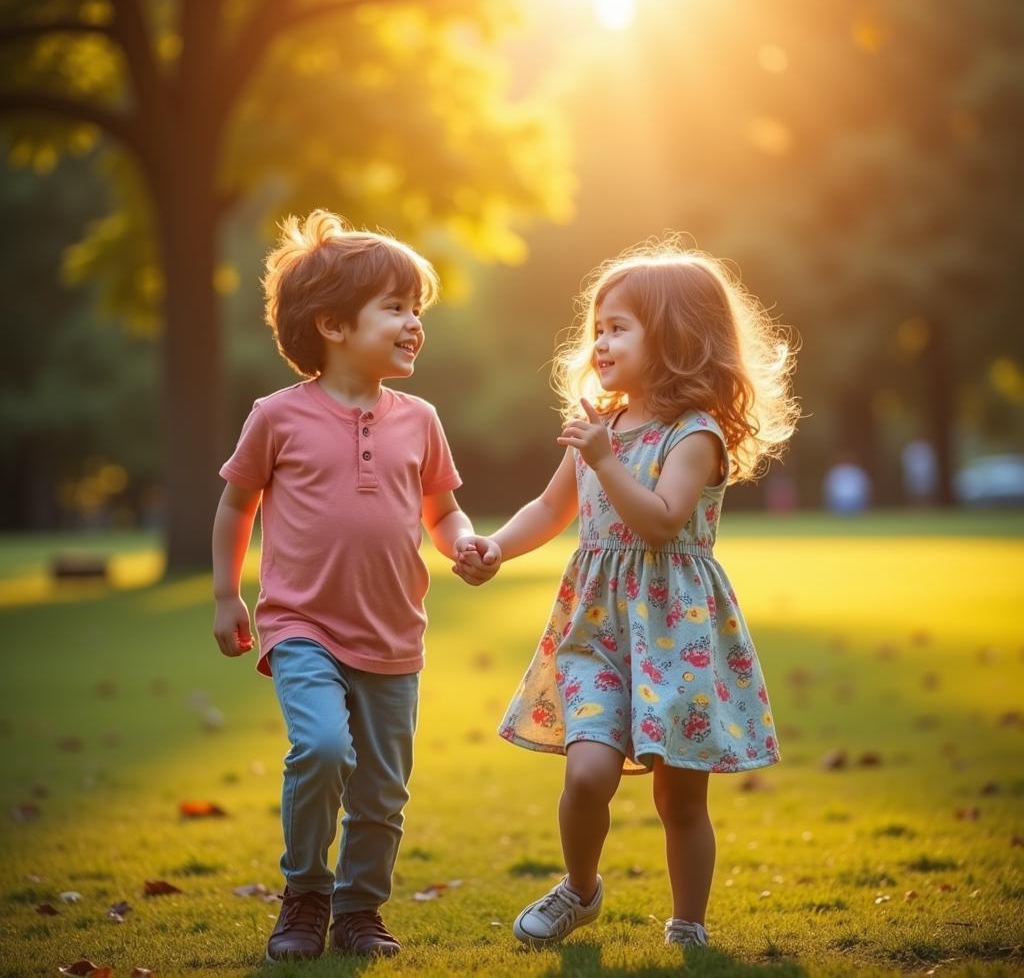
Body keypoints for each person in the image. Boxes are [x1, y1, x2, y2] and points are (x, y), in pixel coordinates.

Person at [460, 240, 798, 953]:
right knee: (587, 773)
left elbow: (662, 519)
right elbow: (552, 509)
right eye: (599, 327)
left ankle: (688, 925)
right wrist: (495, 545)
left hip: (678, 629)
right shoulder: (599, 429)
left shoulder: (696, 433)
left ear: (674, 337)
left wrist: (605, 461)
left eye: (620, 327)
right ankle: (579, 891)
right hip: (597, 629)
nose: (601, 341)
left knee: (680, 795)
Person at [212, 211, 500, 962]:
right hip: (302, 623)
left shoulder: (421, 420)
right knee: (321, 748)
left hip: (394, 632)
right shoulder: (275, 417)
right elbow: (237, 503)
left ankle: (360, 909)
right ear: (334, 324)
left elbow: (442, 508)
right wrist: (224, 593)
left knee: (381, 792)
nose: (415, 325)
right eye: (397, 308)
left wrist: (463, 541)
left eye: (418, 310)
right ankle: (305, 892)